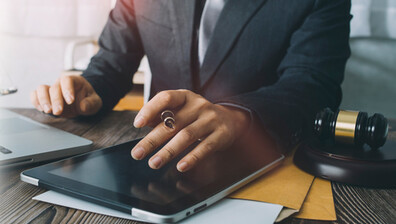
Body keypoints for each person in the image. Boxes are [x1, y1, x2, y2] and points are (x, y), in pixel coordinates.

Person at [31, 0, 350, 172]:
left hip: (254, 162)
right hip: (150, 163)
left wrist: (237, 115)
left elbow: (313, 86)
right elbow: (112, 61)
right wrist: (90, 88)